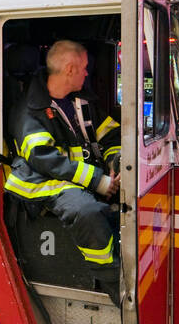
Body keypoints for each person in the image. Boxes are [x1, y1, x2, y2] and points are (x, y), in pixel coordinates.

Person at [7, 40, 121, 304]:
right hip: (45, 183)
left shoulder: (81, 100)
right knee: (87, 211)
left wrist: (116, 160)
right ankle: (113, 283)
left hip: (85, 179)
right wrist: (98, 181)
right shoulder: (28, 112)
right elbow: (44, 160)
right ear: (70, 69)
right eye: (83, 68)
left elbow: (109, 133)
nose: (87, 73)